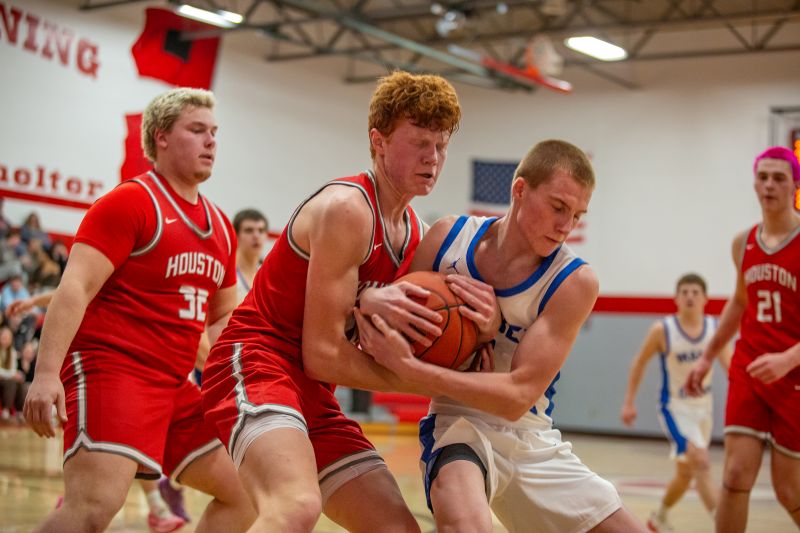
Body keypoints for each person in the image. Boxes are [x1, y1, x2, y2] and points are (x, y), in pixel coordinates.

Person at [201, 70, 461, 532]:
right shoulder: (348, 209)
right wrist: (423, 381)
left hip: (313, 393)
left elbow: (362, 344)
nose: (433, 157)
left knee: (397, 528)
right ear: (378, 141)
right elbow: (321, 354)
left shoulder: (416, 233)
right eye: (420, 142)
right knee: (295, 506)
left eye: (440, 145)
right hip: (257, 361)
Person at [356, 139, 645, 533]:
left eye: (577, 215)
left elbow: (516, 398)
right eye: (558, 207)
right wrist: (373, 299)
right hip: (457, 422)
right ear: (520, 190)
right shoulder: (447, 238)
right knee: (467, 524)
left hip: (531, 436)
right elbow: (390, 326)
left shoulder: (574, 281)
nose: (565, 226)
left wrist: (420, 368)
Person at [22, 87, 255, 533]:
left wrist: (247, 380)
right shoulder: (130, 202)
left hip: (176, 384)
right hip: (114, 369)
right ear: (161, 137)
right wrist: (46, 373)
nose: (211, 142)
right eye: (197, 130)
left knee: (249, 491)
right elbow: (74, 289)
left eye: (214, 133)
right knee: (92, 508)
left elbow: (227, 319)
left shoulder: (221, 227)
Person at [685, 146, 800, 532]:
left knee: (789, 490)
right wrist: (707, 357)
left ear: (794, 186)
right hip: (749, 366)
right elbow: (739, 302)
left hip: (793, 375)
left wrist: (787, 359)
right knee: (734, 475)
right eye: (763, 177)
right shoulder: (743, 242)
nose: (769, 185)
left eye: (779, 178)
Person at [620, 273, 732, 532]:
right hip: (674, 408)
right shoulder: (663, 330)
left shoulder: (714, 330)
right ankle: (724, 525)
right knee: (701, 462)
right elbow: (639, 362)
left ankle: (659, 518)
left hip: (704, 408)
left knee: (685, 474)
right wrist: (629, 402)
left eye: (695, 292)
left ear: (705, 299)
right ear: (677, 299)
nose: (690, 296)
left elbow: (732, 369)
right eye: (685, 292)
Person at [232, 208, 269, 304]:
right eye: (249, 230)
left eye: (261, 230)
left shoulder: (269, 276)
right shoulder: (226, 273)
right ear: (235, 235)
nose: (256, 236)